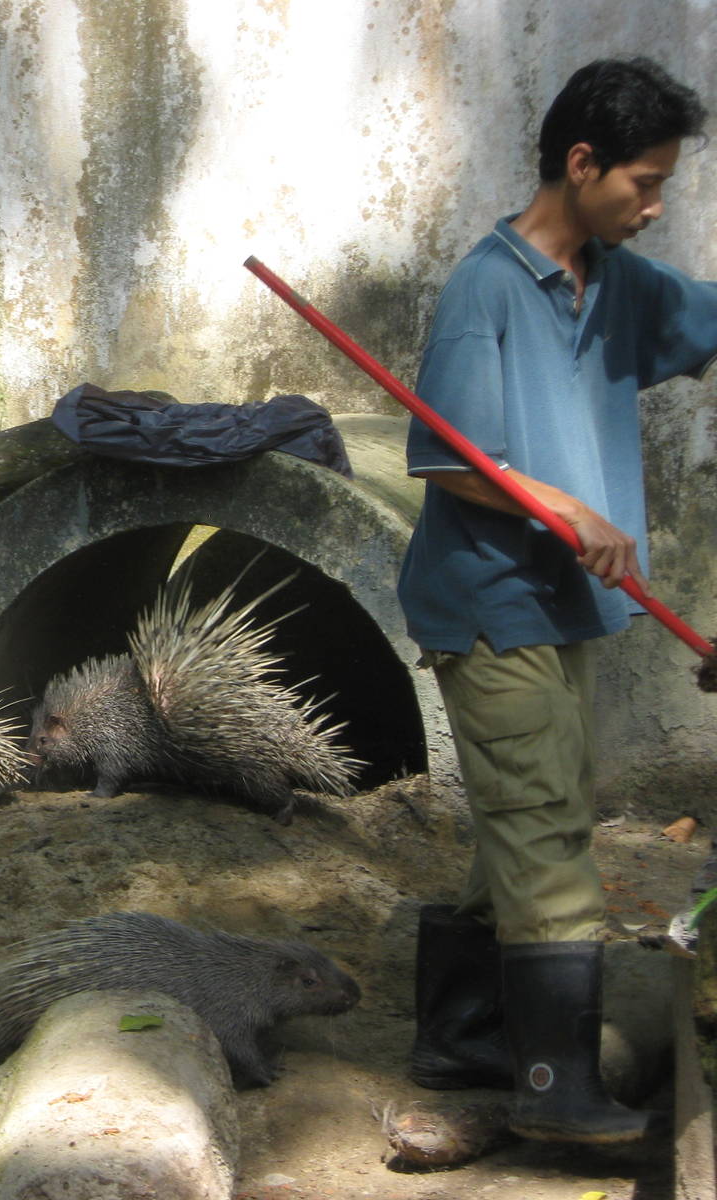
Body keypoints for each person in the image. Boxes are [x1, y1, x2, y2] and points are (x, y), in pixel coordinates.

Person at [396, 57, 717, 1145]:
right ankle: (552, 1094)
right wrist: (559, 505)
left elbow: (708, 320)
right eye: (641, 179)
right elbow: (442, 460)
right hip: (490, 602)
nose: (654, 202)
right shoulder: (483, 287)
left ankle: (461, 1033)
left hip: (568, 611)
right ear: (578, 164)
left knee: (527, 819)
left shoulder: (620, 279)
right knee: (546, 832)